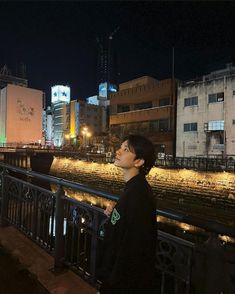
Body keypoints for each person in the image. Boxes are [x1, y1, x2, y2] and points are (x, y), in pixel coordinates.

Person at [97, 134, 157, 294]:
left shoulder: (139, 195)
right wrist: (116, 212)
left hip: (121, 282)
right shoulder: (133, 189)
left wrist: (111, 284)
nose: (118, 152)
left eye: (125, 149)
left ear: (138, 161)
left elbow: (133, 248)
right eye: (120, 147)